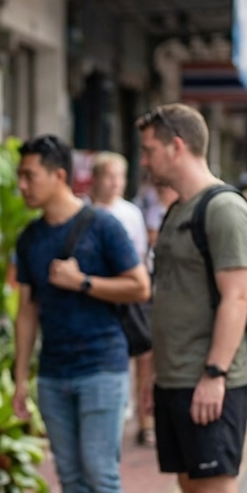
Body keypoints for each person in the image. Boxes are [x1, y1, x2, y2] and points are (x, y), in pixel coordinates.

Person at [11, 135, 150, 493]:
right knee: (70, 474)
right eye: (20, 175)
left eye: (30, 175)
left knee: (100, 472)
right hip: (53, 374)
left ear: (60, 176)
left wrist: (83, 282)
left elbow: (139, 286)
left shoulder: (103, 226)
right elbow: (26, 310)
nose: (22, 184)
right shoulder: (29, 238)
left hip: (102, 366)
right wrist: (18, 380)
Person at [140, 104, 247, 493]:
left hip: (210, 379)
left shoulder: (223, 208)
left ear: (176, 145)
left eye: (149, 149)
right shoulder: (178, 209)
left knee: (216, 490)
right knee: (193, 489)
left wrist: (215, 372)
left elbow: (238, 296)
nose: (146, 160)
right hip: (176, 377)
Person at [91, 152, 156, 447]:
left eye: (120, 176)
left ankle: (143, 417)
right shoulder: (84, 212)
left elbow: (140, 257)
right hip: (95, 298)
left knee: (141, 351)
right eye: (109, 176)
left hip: (129, 296)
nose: (115, 183)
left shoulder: (131, 213)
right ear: (95, 179)